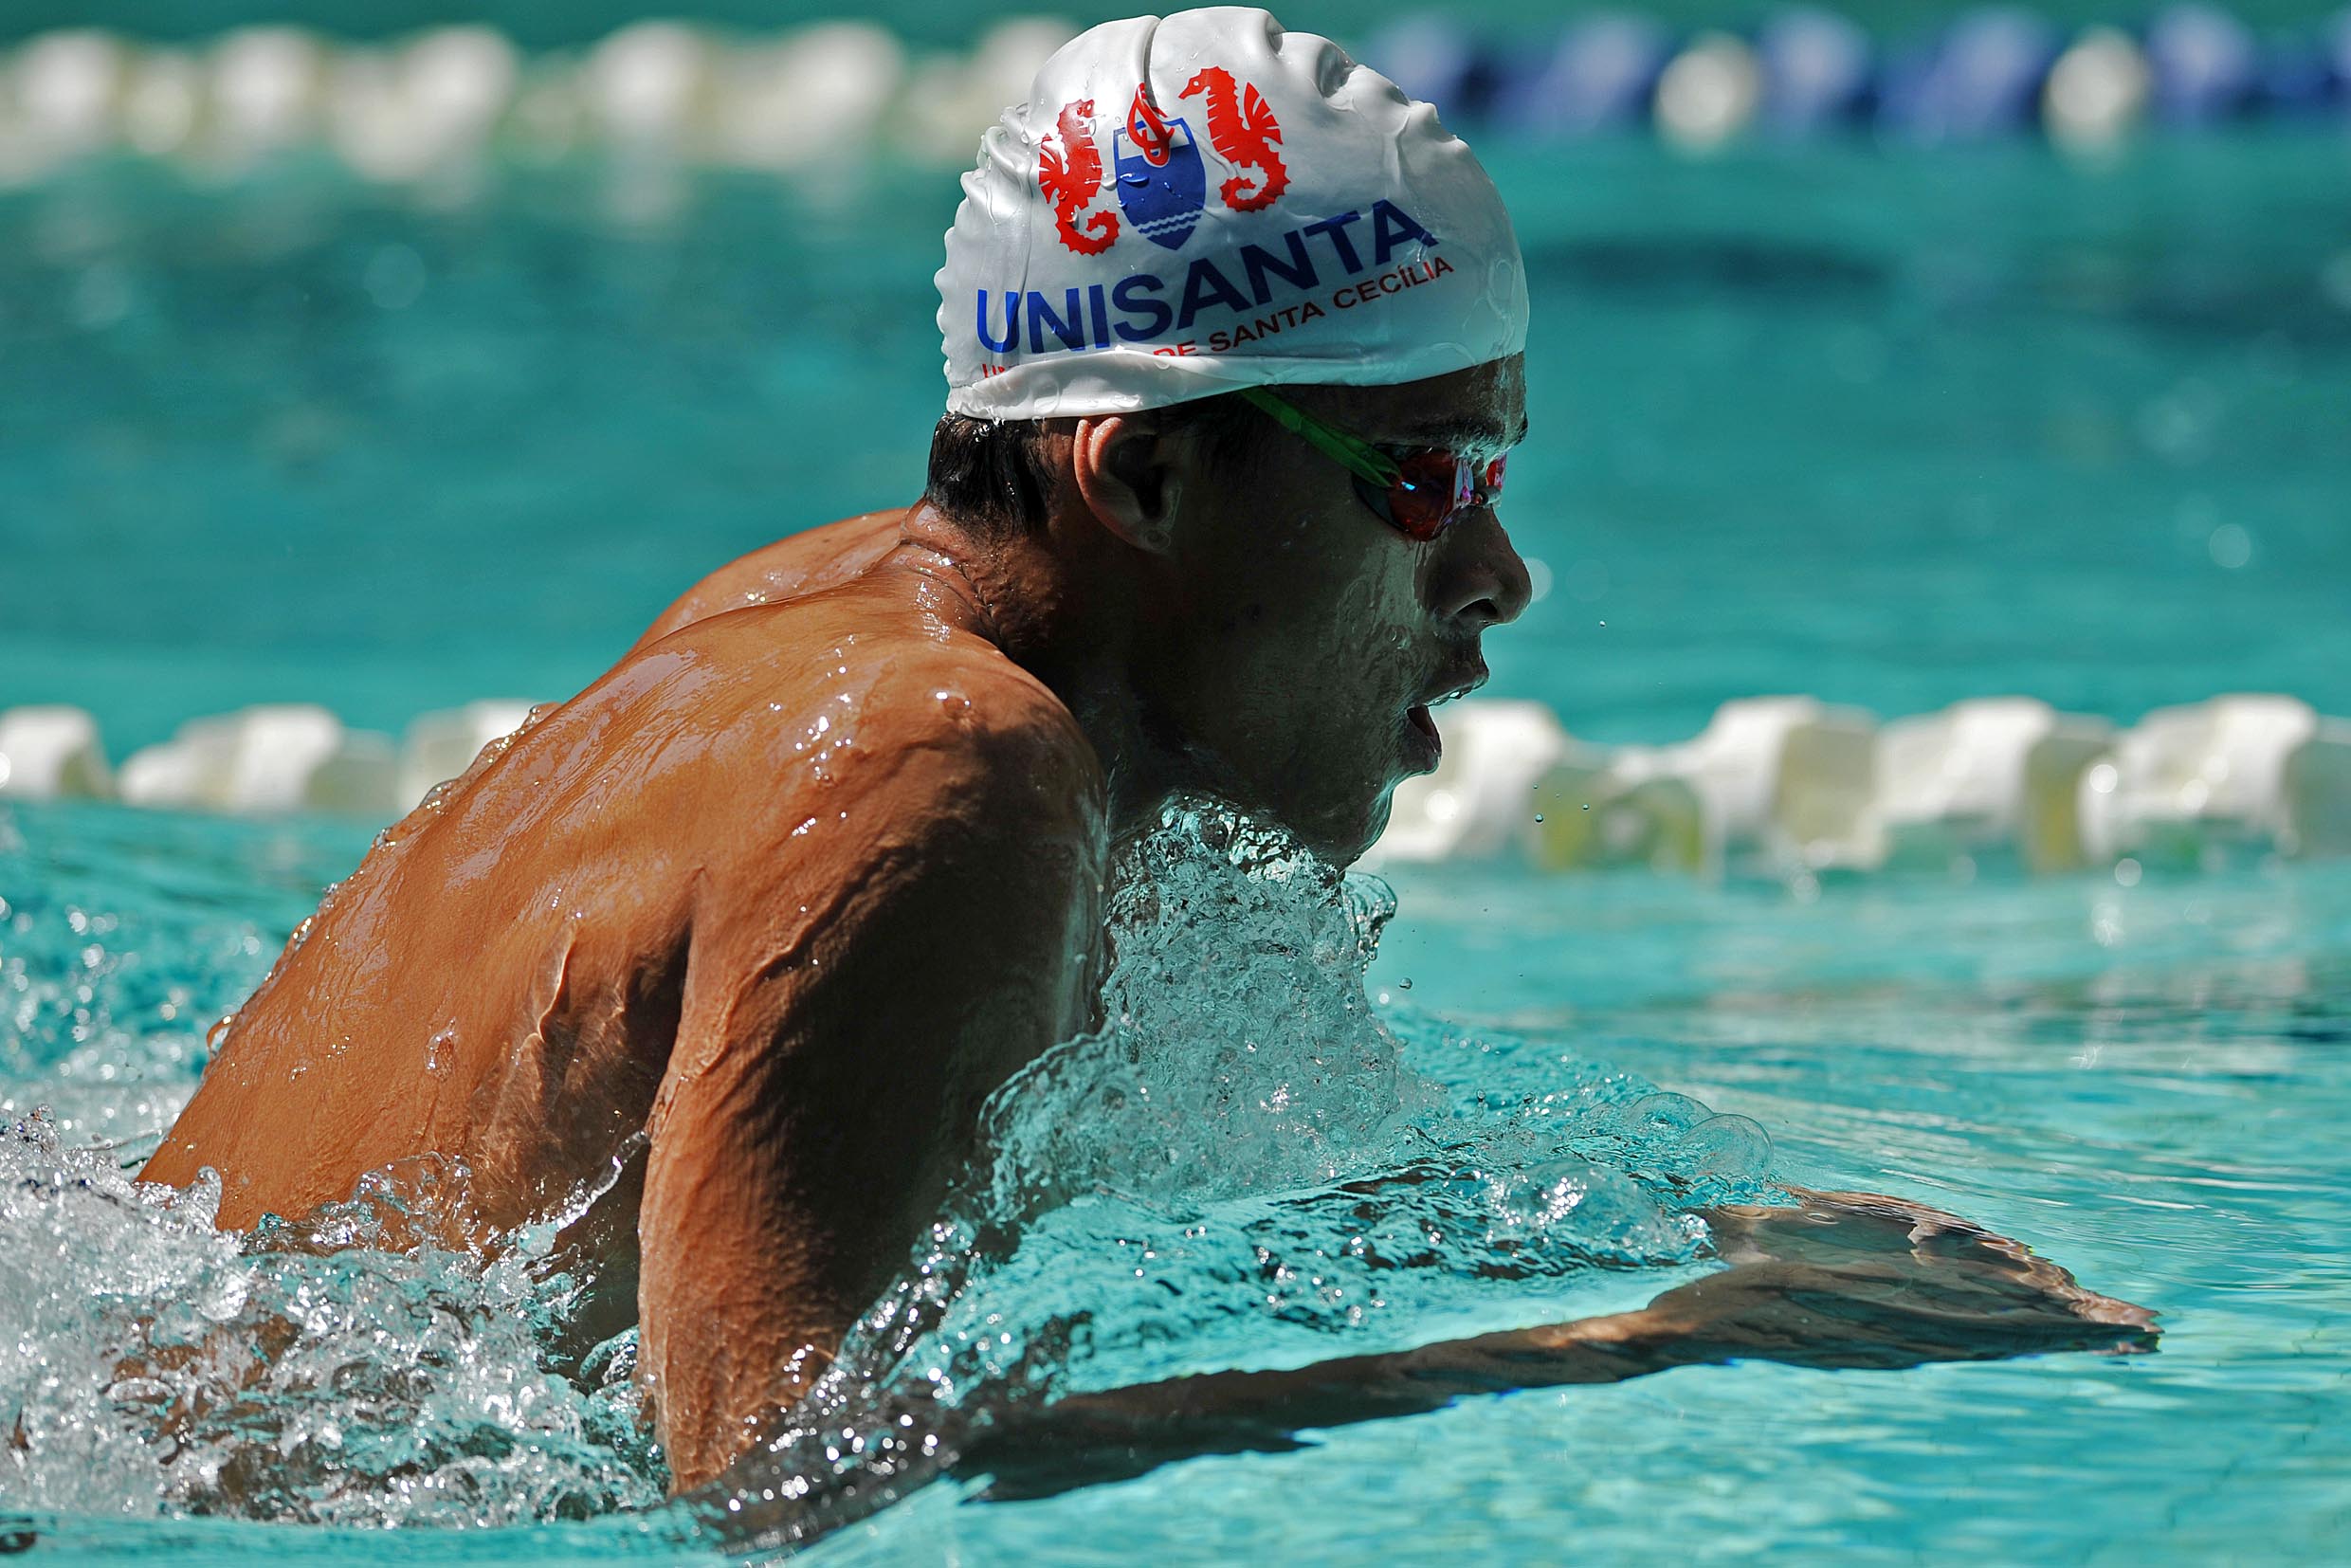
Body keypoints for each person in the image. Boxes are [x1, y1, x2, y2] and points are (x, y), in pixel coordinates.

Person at [136, 9, 2151, 1500]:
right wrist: (1637, 1348)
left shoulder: (850, 613)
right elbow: (788, 1482)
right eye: (1429, 475)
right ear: (1148, 478)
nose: (1501, 573)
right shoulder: (937, 772)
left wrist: (1666, 1229)